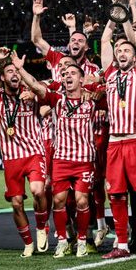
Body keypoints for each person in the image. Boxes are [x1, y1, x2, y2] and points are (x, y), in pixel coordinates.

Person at [12, 52, 102, 258]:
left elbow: (109, 91)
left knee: (81, 201)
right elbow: (35, 86)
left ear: (81, 78)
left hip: (84, 161)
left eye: (72, 73)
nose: (67, 76)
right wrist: (20, 69)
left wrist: (98, 89)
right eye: (64, 74)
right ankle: (62, 240)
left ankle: (81, 241)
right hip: (61, 159)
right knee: (59, 201)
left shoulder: (92, 100)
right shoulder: (57, 99)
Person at [99, 0, 136, 260]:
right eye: (119, 50)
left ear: (134, 57)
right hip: (115, 143)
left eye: (126, 50)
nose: (121, 53)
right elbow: (104, 41)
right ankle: (121, 244)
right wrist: (115, 13)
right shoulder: (110, 74)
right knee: (116, 195)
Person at [0, 48, 48, 257]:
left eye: (17, 71)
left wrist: (28, 83)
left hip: (34, 152)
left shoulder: (29, 91)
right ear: (3, 77)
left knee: (38, 191)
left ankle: (41, 228)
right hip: (11, 158)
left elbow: (43, 90)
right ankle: (28, 243)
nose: (14, 75)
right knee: (16, 204)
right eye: (10, 72)